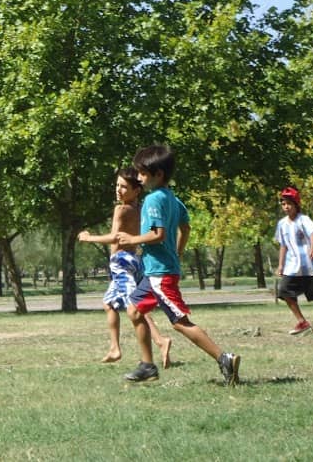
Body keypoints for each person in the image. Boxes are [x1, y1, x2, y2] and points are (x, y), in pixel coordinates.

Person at [115, 145, 240, 386]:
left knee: (179, 322)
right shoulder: (172, 199)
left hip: (159, 274)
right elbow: (185, 228)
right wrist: (178, 252)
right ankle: (148, 365)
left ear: (158, 174)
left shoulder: (153, 200)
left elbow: (157, 234)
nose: (138, 178)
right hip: (156, 271)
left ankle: (224, 358)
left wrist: (133, 239)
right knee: (134, 310)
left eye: (142, 173)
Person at [77, 167, 172, 368]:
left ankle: (160, 340)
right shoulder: (141, 209)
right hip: (135, 260)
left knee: (135, 306)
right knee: (109, 303)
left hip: (121, 261)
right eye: (117, 185)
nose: (119, 190)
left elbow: (115, 237)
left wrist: (88, 238)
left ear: (137, 190)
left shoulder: (120, 209)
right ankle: (114, 348)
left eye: (124, 187)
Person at [275, 186, 313, 335]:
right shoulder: (282, 224)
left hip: (311, 266)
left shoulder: (304, 219)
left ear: (296, 205)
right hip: (292, 267)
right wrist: (281, 265)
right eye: (283, 204)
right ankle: (302, 321)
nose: (286, 207)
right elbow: (283, 245)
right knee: (284, 291)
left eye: (289, 203)